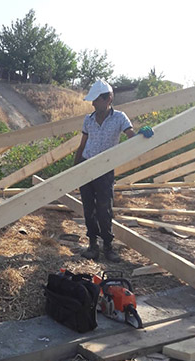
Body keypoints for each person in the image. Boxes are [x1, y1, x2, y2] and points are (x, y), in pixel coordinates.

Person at [74, 79, 135, 263]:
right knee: (88, 208)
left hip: (105, 169)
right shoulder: (89, 119)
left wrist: (143, 135)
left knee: (104, 209)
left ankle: (108, 246)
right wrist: (75, 170)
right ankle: (93, 245)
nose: (93, 103)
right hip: (86, 165)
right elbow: (82, 145)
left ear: (108, 98)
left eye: (96, 100)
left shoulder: (120, 118)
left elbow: (131, 136)